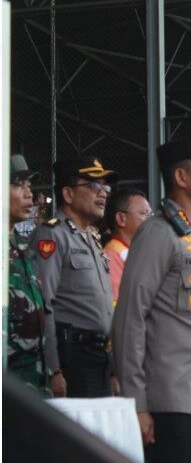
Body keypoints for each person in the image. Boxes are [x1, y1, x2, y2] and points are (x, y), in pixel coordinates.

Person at [112, 135, 191, 463]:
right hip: (169, 405)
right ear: (181, 177)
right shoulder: (159, 233)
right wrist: (136, 404)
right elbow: (129, 318)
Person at [32, 156, 118, 398]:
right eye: (93, 186)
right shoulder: (52, 234)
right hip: (72, 357)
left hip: (100, 356)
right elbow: (44, 303)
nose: (102, 194)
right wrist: (54, 368)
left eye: (105, 187)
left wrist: (112, 366)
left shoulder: (91, 238)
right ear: (68, 195)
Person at [7, 154, 47, 392]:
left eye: (29, 185)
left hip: (35, 378)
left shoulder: (22, 245)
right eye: (17, 185)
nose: (28, 193)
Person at [103, 188, 153, 306]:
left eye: (151, 214)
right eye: (144, 213)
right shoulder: (111, 255)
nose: (150, 219)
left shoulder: (134, 251)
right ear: (121, 218)